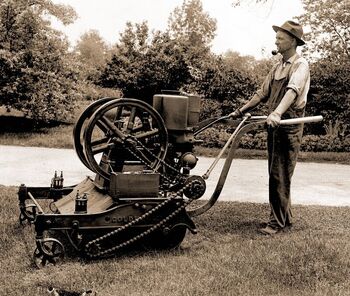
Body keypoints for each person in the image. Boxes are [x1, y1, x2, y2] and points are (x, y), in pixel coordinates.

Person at [230, 20, 310, 235]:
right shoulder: (277, 67)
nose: (276, 40)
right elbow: (261, 93)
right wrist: (240, 111)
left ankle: (276, 223)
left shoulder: (300, 65)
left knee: (279, 174)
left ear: (293, 41)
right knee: (278, 173)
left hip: (288, 126)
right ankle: (285, 217)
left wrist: (276, 113)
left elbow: (292, 91)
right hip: (274, 125)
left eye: (280, 38)